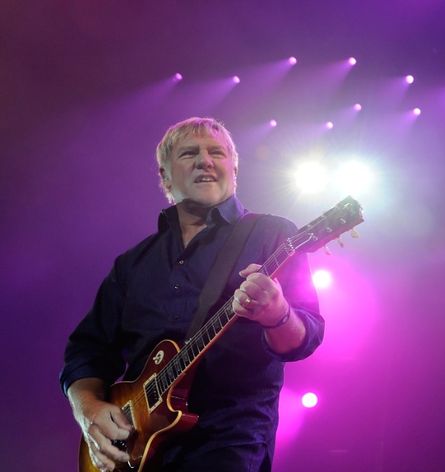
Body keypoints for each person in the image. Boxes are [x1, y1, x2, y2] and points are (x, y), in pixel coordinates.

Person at [60, 117, 324, 472]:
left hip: (228, 442)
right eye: (189, 154)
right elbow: (88, 350)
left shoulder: (271, 235)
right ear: (165, 177)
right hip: (135, 449)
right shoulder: (134, 262)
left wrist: (276, 313)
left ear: (234, 169)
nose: (205, 160)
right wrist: (88, 410)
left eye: (217, 152)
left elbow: (304, 338)